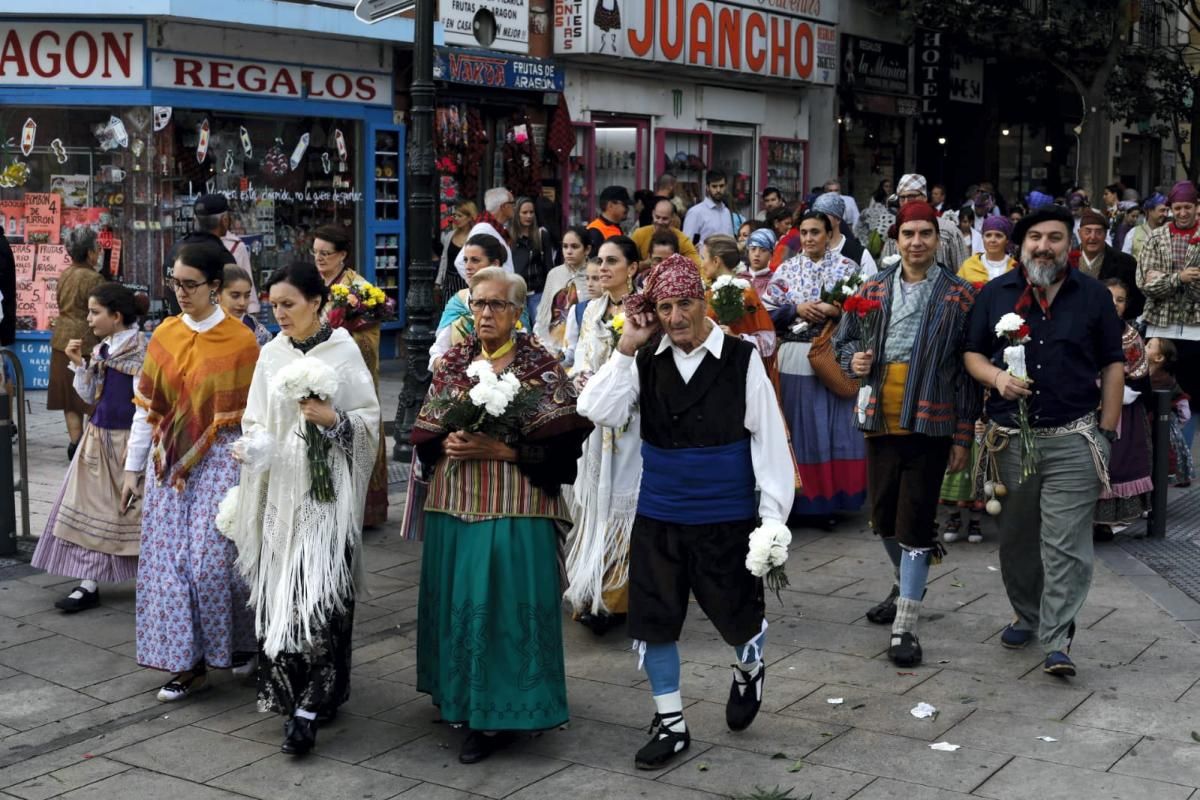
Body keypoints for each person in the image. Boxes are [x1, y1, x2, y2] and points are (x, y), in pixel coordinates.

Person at [577, 254, 795, 770]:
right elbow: (596, 409)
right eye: (665, 307)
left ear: (704, 303)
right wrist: (627, 345)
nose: (675, 317)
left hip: (726, 517)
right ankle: (671, 721)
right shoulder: (644, 360)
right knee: (654, 621)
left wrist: (772, 519)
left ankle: (749, 665)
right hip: (660, 515)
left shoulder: (741, 361)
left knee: (737, 618)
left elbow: (769, 443)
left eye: (684, 304)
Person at [413, 268, 592, 765]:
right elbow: (425, 429)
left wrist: (503, 450)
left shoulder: (542, 367)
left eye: (497, 305)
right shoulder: (453, 361)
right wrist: (445, 441)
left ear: (518, 313)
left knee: (502, 606)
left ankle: (499, 715)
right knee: (458, 602)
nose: (486, 314)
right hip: (453, 503)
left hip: (516, 507)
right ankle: (460, 699)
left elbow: (564, 450)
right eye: (479, 304)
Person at [227, 261, 380, 757]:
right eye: (273, 305)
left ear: (317, 302)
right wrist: (253, 447)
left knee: (320, 594)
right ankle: (292, 695)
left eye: (288, 304)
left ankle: (315, 702)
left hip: (327, 494)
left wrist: (333, 419)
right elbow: (256, 418)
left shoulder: (343, 351)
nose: (279, 313)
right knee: (281, 594)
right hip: (281, 490)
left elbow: (370, 422)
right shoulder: (270, 354)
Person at [964, 204, 1124, 678]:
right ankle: (1026, 614)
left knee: (1066, 543)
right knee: (1016, 539)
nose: (1044, 246)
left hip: (1074, 437)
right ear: (1021, 245)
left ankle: (1057, 638)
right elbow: (972, 352)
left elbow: (1112, 362)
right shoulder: (995, 294)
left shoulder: (1092, 296)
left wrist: (1107, 430)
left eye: (1055, 237)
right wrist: (996, 378)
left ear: (1069, 244)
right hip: (1008, 441)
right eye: (1036, 238)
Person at [836, 201, 980, 667]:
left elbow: (967, 371)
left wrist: (963, 435)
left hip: (931, 419)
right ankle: (904, 584)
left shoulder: (960, 294)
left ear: (939, 239)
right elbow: (845, 342)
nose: (916, 242)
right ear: (895, 240)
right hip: (880, 416)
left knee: (916, 519)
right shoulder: (873, 286)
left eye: (925, 233)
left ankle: (906, 624)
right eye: (907, 234)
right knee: (881, 515)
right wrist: (854, 360)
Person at [127, 243, 260, 701]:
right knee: (170, 566)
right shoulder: (163, 334)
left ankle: (242, 643)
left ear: (215, 287)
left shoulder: (241, 341)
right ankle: (188, 664)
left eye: (191, 284)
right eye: (175, 282)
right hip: (168, 460)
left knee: (213, 563)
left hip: (222, 459)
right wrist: (133, 468)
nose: (181, 292)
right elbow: (148, 409)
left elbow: (252, 415)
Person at [32, 284, 149, 612]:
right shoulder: (102, 350)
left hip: (130, 442)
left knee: (137, 512)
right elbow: (90, 397)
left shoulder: (141, 352)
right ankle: (88, 582)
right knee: (88, 510)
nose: (89, 319)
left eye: (95, 312)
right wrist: (78, 365)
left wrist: (138, 454)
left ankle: (152, 579)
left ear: (117, 316)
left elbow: (145, 407)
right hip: (97, 439)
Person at [762, 211, 866, 523]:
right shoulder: (787, 269)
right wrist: (796, 308)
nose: (808, 239)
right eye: (804, 232)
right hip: (795, 356)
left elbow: (865, 312)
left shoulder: (849, 269)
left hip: (834, 353)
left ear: (828, 233)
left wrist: (836, 310)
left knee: (834, 427)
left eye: (815, 232)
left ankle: (833, 499)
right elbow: (767, 312)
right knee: (802, 426)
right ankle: (802, 500)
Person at [564, 236, 643, 636]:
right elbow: (578, 359)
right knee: (593, 502)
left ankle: (617, 595)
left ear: (632, 268)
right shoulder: (590, 309)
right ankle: (589, 590)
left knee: (623, 506)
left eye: (613, 261)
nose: (604, 267)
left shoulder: (645, 310)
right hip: (596, 425)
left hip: (633, 424)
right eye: (601, 260)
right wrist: (584, 381)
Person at [310, 224, 388, 528]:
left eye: (326, 253)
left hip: (347, 375)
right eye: (315, 252)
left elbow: (368, 341)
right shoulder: (311, 283)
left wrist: (339, 339)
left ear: (342, 254)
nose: (319, 258)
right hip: (315, 371)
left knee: (353, 430)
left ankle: (362, 510)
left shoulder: (359, 290)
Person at [1137, 180, 1200, 452]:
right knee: (1154, 392)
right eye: (1177, 208)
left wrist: (1163, 279)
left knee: (1193, 396)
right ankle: (1155, 454)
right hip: (1160, 326)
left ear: (1197, 207)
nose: (1183, 212)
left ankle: (1183, 457)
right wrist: (1179, 278)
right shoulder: (1155, 237)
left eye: (1188, 207)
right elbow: (1144, 283)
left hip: (1196, 328)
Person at [1092, 279, 1152, 541]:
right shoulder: (1084, 330)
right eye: (1109, 297)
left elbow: (1141, 376)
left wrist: (1121, 393)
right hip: (1086, 407)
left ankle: (1106, 523)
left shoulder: (1131, 336)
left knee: (1118, 463)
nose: (1114, 304)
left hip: (1124, 412)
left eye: (1120, 299)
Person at [49, 227, 107, 461]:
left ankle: (75, 444)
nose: (99, 253)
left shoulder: (65, 274)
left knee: (69, 399)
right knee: (91, 395)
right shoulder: (94, 278)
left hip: (62, 340)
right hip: (86, 343)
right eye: (97, 249)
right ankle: (91, 447)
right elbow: (101, 311)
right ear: (90, 253)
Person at [433, 233, 531, 363]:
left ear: (495, 264)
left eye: (475, 260)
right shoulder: (457, 302)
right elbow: (439, 349)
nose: (467, 267)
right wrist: (451, 371)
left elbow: (524, 346)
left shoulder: (512, 299)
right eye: (465, 260)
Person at [702, 234, 778, 387]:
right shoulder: (708, 293)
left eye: (704, 258)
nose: (701, 264)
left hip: (737, 374)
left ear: (716, 261)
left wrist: (738, 337)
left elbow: (768, 340)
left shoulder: (745, 293)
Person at [163, 194, 237, 316]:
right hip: (210, 331)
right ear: (224, 220)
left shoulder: (175, 250)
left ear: (194, 220)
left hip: (178, 327)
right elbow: (230, 302)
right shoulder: (221, 256)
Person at [879, 174, 968, 271]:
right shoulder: (895, 232)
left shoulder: (949, 231)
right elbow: (885, 272)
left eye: (911, 196)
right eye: (902, 198)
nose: (906, 202)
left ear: (925, 198)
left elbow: (964, 272)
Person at [1077, 208, 1143, 320]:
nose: (1093, 237)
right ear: (1079, 233)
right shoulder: (1066, 260)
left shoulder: (1126, 262)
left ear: (1105, 234)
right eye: (1088, 231)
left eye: (1098, 232)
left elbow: (1137, 302)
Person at [535, 225, 591, 357]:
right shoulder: (554, 274)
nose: (569, 251)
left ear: (587, 249)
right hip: (553, 341)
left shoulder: (595, 274)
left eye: (574, 246)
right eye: (565, 246)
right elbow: (544, 313)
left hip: (584, 341)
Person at [1147, 337, 1194, 486]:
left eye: (1148, 346)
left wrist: (1176, 424)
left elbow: (1183, 406)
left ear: (1158, 357)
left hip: (1158, 427)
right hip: (1147, 426)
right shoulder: (1141, 372)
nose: (1143, 345)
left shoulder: (1165, 380)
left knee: (1160, 459)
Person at [510, 196, 554, 322]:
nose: (529, 216)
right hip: (516, 293)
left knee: (539, 330)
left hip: (537, 293)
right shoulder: (510, 236)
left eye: (531, 212)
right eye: (524, 213)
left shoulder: (541, 234)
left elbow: (548, 265)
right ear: (517, 214)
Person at [812, 192, 877, 276]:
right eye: (815, 215)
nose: (818, 219)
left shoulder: (859, 254)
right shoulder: (808, 250)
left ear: (838, 219)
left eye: (824, 215)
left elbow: (873, 285)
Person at [454, 187, 515, 275]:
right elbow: (460, 262)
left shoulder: (497, 228)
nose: (515, 207)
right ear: (504, 206)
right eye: (512, 203)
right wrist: (481, 284)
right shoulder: (483, 228)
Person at [630, 198, 701, 266]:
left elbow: (697, 265)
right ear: (652, 214)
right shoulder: (639, 234)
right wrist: (646, 264)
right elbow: (627, 265)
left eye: (665, 219)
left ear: (673, 218)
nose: (660, 222)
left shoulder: (682, 239)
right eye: (657, 217)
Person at [562, 257, 602, 368]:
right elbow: (570, 351)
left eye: (596, 278)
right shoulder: (577, 310)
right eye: (587, 278)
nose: (589, 283)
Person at [683, 169, 740, 245]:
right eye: (714, 186)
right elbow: (687, 245)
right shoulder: (696, 212)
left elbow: (730, 241)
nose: (718, 190)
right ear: (707, 187)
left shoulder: (726, 212)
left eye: (721, 186)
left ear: (726, 186)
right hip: (703, 256)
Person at [436, 201, 478, 301]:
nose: (456, 219)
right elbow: (444, 259)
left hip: (467, 281)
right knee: (449, 314)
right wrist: (438, 282)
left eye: (460, 216)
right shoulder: (450, 235)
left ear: (469, 217)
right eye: (454, 216)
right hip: (449, 282)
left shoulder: (475, 237)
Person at [220, 266, 271, 346]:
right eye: (235, 296)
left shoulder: (255, 329)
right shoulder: (201, 328)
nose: (242, 303)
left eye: (247, 296)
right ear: (217, 294)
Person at [958, 216, 1017, 287]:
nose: (992, 240)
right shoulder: (969, 265)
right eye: (988, 235)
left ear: (1007, 240)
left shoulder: (1015, 268)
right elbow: (955, 294)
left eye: (998, 236)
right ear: (982, 238)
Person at [586, 185, 632, 253]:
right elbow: (592, 262)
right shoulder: (595, 231)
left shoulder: (615, 227)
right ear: (610, 205)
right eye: (625, 205)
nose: (628, 209)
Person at [1123, 193, 1167, 261]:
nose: (1165, 214)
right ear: (1150, 211)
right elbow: (1124, 259)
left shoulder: (1168, 232)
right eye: (1162, 210)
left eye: (1167, 210)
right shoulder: (1133, 233)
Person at [743, 228, 777, 298]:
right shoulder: (739, 278)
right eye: (753, 249)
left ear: (771, 254)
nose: (757, 254)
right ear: (748, 251)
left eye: (763, 250)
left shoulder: (775, 281)